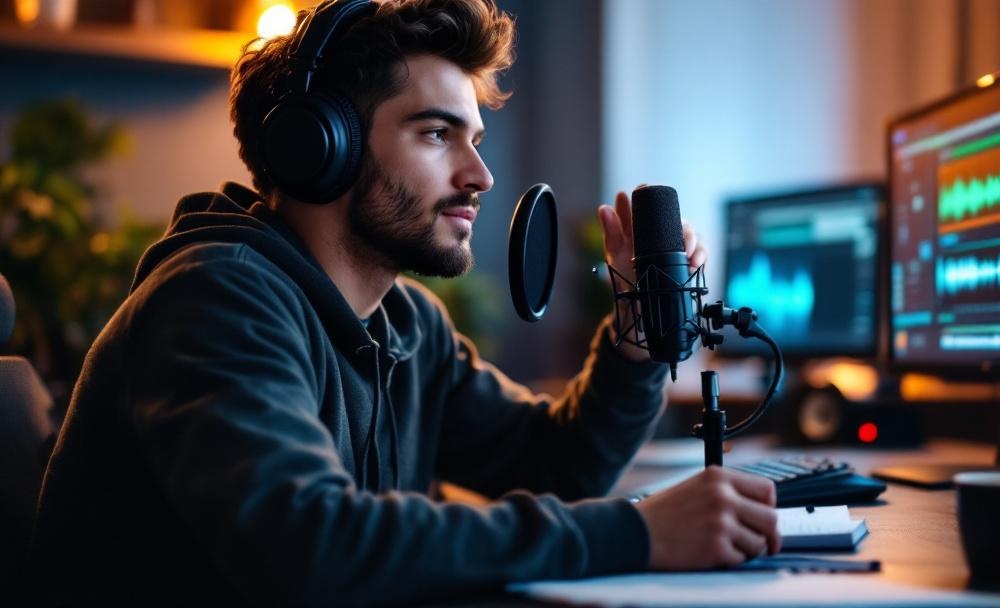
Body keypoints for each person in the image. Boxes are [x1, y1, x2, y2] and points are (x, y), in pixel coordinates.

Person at [31, 0, 781, 604]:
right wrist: (635, 535)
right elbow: (308, 544)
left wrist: (637, 336)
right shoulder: (214, 298)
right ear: (322, 147)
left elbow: (557, 468)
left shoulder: (405, 322)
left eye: (474, 138)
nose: (480, 175)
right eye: (436, 134)